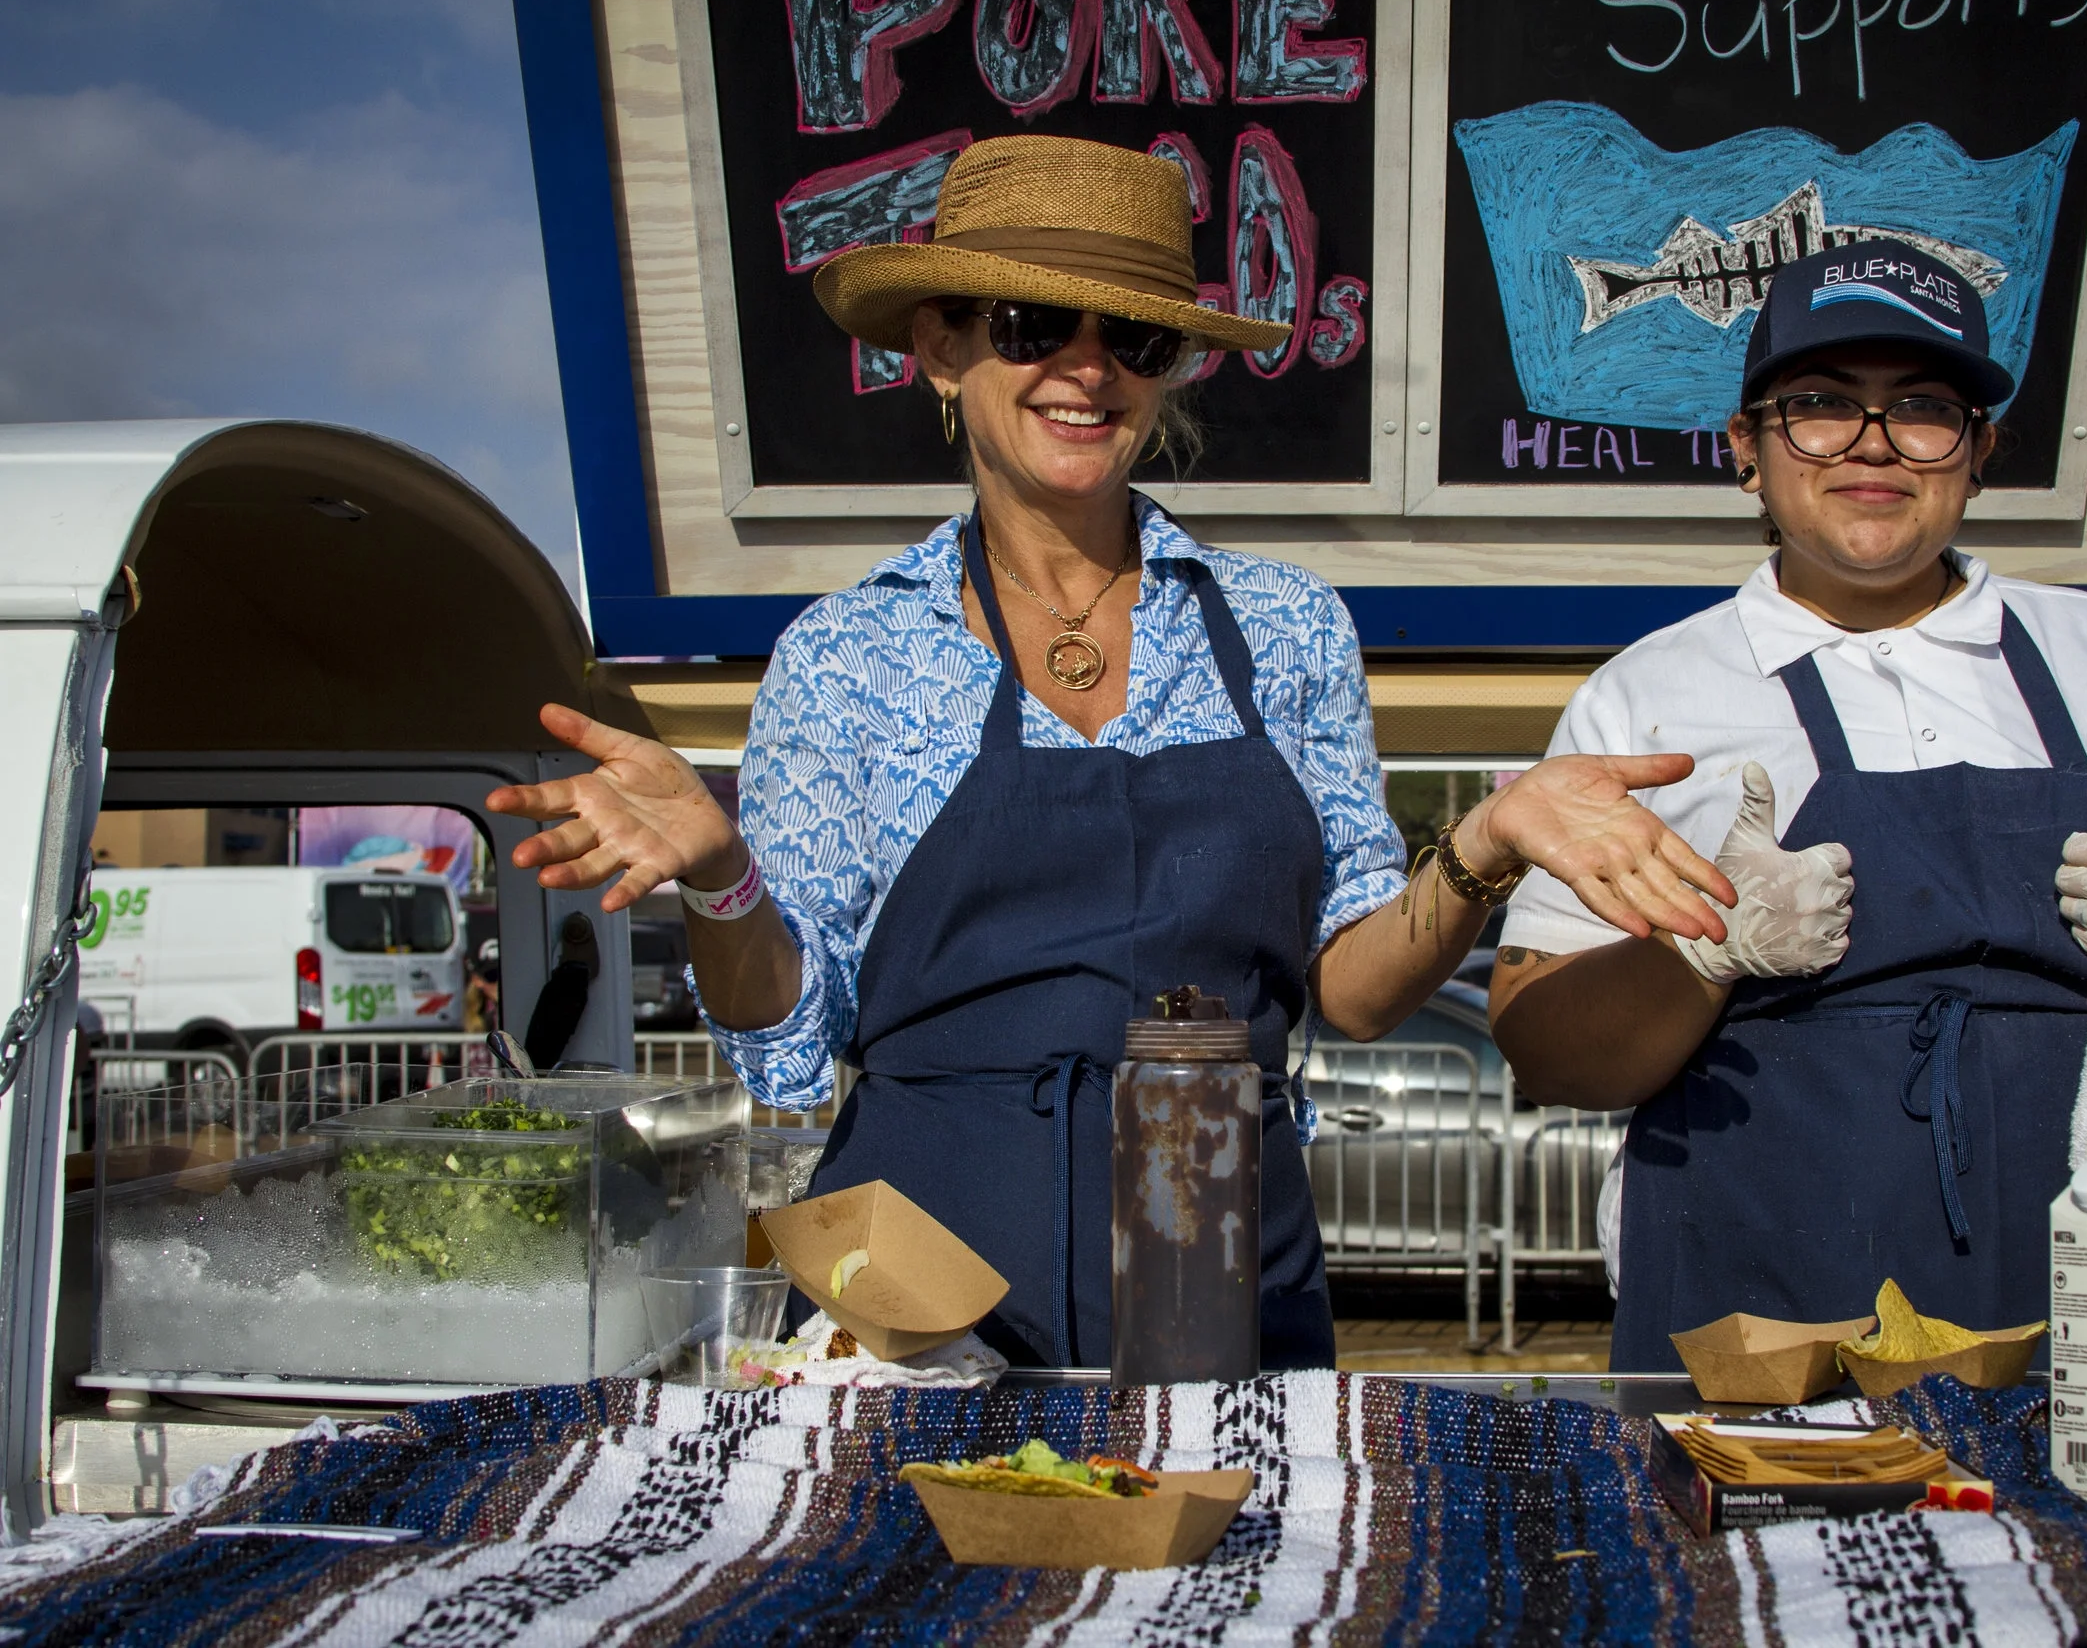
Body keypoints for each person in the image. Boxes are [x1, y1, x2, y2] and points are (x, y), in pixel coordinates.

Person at [484, 136, 1738, 1370]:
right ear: (939, 346)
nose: (1086, 372)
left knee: (1236, 1575)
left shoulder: (1289, 625)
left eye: (1134, 340)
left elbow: (1351, 990)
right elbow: (792, 1034)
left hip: (1222, 1251)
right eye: (1033, 325)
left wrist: (1484, 843)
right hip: (921, 1273)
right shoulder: (844, 653)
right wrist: (718, 872)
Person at [1487, 239, 2087, 1371]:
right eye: (1819, 405)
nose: (1872, 444)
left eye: (1922, 408)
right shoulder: (1644, 697)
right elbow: (1552, 1054)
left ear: (1981, 452)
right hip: (1760, 1315)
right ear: (1747, 447)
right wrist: (1705, 949)